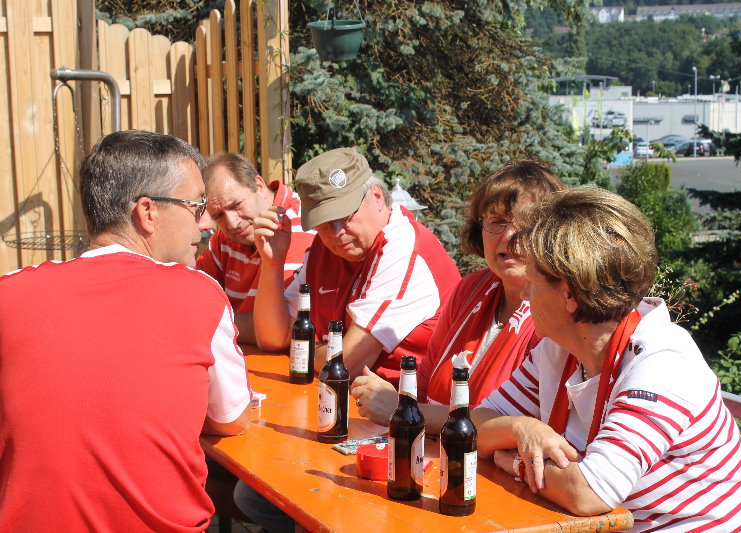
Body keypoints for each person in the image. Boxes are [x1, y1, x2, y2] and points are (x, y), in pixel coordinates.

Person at [473, 187, 741, 531]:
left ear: (569, 294)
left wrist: (512, 460)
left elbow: (588, 493)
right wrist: (521, 428)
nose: (525, 293)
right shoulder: (559, 349)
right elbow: (476, 422)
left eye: (532, 281)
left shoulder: (662, 364)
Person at [0, 130, 251, 531]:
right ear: (148, 212)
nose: (206, 223)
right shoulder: (199, 294)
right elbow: (231, 417)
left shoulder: (8, 294)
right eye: (196, 205)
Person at [351, 159, 567, 431]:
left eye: (526, 224)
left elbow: (514, 424)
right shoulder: (471, 289)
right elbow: (425, 383)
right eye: (497, 221)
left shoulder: (556, 310)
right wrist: (399, 403)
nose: (509, 236)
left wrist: (403, 410)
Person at [251, 147, 461, 385]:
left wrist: (300, 345)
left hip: (410, 402)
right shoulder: (324, 247)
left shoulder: (403, 247)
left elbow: (344, 365)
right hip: (351, 396)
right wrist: (272, 264)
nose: (335, 232)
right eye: (323, 221)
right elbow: (272, 338)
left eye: (344, 216)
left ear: (377, 197)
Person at [197, 152, 316, 345]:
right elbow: (193, 305)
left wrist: (215, 322)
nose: (232, 223)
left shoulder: (297, 226)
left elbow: (280, 331)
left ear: (259, 186)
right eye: (218, 216)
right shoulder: (225, 237)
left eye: (236, 205)